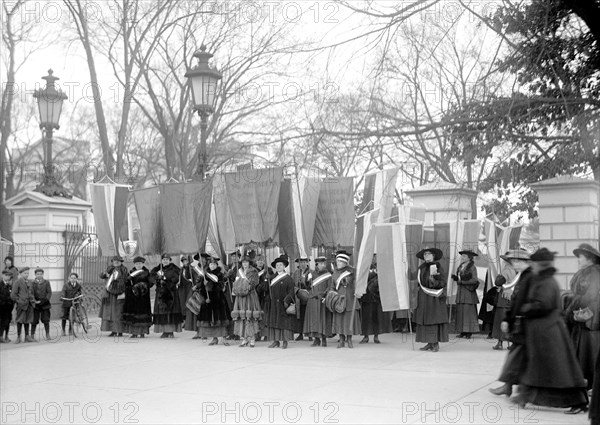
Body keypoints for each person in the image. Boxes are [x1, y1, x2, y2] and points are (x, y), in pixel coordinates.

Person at [510, 248, 588, 412]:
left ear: (540, 264)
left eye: (535, 263)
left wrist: (525, 308)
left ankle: (578, 401)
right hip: (544, 332)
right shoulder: (542, 279)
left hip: (549, 332)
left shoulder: (546, 281)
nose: (533, 266)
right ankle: (525, 396)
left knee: (559, 369)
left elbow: (543, 305)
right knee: (539, 367)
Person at [489, 249, 532, 396]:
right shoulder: (522, 275)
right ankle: (508, 386)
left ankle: (521, 390)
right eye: (513, 262)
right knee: (515, 357)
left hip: (529, 325)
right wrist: (509, 319)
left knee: (523, 359)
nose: (515, 264)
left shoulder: (528, 276)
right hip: (521, 324)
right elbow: (517, 299)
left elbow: (528, 301)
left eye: (518, 261)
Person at [564, 243, 600, 395]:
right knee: (584, 351)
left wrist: (571, 305)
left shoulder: (592, 273)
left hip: (587, 317)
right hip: (583, 317)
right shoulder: (587, 272)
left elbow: (589, 296)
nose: (578, 259)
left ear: (590, 259)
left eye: (581, 257)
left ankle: (589, 384)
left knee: (587, 352)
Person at [414, 247, 448, 352]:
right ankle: (429, 342)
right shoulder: (421, 268)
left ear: (433, 256)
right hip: (423, 297)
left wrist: (434, 282)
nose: (426, 256)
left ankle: (435, 343)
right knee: (425, 319)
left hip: (434, 299)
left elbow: (443, 283)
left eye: (429, 254)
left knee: (433, 320)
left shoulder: (437, 267)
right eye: (425, 254)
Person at [328, 251, 361, 349]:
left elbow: (357, 283)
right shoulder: (334, 274)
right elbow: (331, 287)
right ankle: (341, 340)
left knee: (348, 321)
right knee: (339, 321)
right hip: (338, 301)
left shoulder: (352, 272)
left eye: (340, 261)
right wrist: (332, 295)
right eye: (337, 261)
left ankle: (349, 339)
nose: (337, 263)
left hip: (349, 299)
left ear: (345, 263)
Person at [197, 257, 231, 346]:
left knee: (221, 319)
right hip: (208, 300)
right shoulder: (204, 274)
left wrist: (209, 284)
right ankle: (214, 338)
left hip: (218, 299)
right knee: (211, 320)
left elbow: (221, 286)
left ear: (216, 265)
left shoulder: (220, 274)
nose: (212, 266)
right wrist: (203, 287)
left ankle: (224, 338)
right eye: (211, 264)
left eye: (214, 264)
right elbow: (200, 288)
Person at [359, 254, 392, 344]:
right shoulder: (364, 267)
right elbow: (363, 278)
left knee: (376, 317)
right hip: (366, 296)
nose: (373, 259)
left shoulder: (381, 267)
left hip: (377, 296)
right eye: (372, 256)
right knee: (366, 317)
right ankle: (365, 336)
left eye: (375, 257)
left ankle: (376, 336)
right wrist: (375, 273)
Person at [231, 256, 262, 347]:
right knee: (242, 317)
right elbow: (236, 282)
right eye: (243, 262)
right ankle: (244, 338)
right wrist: (236, 289)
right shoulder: (239, 271)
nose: (244, 264)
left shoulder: (254, 271)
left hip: (250, 295)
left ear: (249, 263)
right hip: (240, 297)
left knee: (250, 316)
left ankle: (252, 338)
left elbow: (255, 283)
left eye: (246, 262)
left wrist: (247, 288)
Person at [150, 254, 183, 338]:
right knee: (162, 312)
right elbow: (151, 278)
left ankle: (170, 331)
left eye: (167, 259)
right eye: (164, 259)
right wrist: (157, 279)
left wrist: (165, 281)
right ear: (161, 260)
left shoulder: (174, 269)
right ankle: (164, 331)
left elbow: (175, 279)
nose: (165, 261)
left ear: (170, 260)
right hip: (161, 293)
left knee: (171, 312)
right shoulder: (157, 269)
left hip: (170, 293)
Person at [266, 256, 295, 349]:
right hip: (273, 304)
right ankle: (276, 341)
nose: (278, 266)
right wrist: (265, 280)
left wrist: (287, 300)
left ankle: (285, 341)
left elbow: (291, 292)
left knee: (284, 323)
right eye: (277, 265)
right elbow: (266, 290)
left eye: (280, 265)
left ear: (284, 266)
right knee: (274, 322)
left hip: (283, 304)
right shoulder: (271, 278)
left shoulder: (288, 278)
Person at [303, 256, 333, 347]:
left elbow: (330, 286)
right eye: (320, 264)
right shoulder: (312, 274)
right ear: (316, 265)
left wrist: (325, 295)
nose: (322, 265)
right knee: (314, 321)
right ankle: (316, 339)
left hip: (322, 299)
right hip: (312, 300)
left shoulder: (328, 274)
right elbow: (308, 287)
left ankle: (324, 339)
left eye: (323, 263)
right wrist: (307, 280)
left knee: (322, 320)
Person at [123, 256, 153, 338]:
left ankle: (142, 332)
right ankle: (134, 332)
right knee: (134, 314)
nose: (138, 265)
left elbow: (150, 283)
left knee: (142, 314)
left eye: (139, 263)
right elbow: (127, 284)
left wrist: (142, 285)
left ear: (143, 264)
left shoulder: (146, 273)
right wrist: (127, 280)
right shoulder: (131, 272)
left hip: (143, 297)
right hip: (133, 297)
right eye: (136, 264)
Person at [99, 255, 129, 337]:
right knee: (110, 313)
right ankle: (113, 330)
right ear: (112, 262)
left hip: (119, 294)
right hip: (109, 294)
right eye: (115, 261)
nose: (116, 262)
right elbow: (102, 276)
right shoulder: (110, 269)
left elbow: (125, 280)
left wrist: (117, 283)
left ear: (121, 262)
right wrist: (105, 274)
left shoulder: (124, 270)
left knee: (118, 313)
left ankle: (120, 331)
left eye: (118, 261)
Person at [452, 250, 479, 339]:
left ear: (469, 258)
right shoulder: (461, 266)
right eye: (462, 256)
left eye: (464, 256)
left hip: (468, 292)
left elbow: (475, 280)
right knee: (461, 311)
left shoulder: (472, 267)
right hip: (461, 292)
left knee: (468, 312)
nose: (462, 257)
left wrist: (461, 281)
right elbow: (459, 279)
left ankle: (469, 332)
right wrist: (456, 278)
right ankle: (462, 331)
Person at [10, 267, 35, 343]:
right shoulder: (17, 282)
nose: (26, 275)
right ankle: (18, 337)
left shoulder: (30, 282)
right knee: (20, 320)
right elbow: (13, 295)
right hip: (21, 305)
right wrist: (19, 301)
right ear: (20, 274)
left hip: (29, 304)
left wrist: (32, 300)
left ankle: (27, 336)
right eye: (25, 273)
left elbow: (32, 292)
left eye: (27, 273)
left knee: (27, 320)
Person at [292, 257, 312, 341]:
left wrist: (305, 282)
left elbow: (312, 284)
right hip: (298, 297)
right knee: (300, 316)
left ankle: (310, 334)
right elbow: (292, 284)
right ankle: (300, 333)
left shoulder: (311, 272)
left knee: (309, 316)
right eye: (301, 262)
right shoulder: (296, 273)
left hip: (308, 296)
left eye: (304, 262)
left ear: (307, 263)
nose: (303, 264)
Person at [179, 255, 199, 336]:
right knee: (184, 305)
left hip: (191, 288)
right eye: (183, 261)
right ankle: (185, 320)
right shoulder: (181, 269)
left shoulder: (193, 269)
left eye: (186, 261)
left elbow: (194, 278)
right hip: (183, 289)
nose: (185, 262)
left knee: (190, 305)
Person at [255, 255, 273, 341]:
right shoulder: (253, 270)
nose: (260, 262)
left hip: (266, 295)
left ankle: (266, 334)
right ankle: (257, 333)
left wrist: (269, 278)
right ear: (256, 261)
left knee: (265, 315)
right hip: (256, 295)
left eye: (261, 260)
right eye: (258, 260)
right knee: (256, 315)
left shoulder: (268, 270)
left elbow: (272, 280)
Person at [31, 268, 52, 341]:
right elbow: (31, 293)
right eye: (37, 274)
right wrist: (34, 300)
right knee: (34, 320)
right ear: (35, 275)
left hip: (45, 304)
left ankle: (47, 334)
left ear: (43, 274)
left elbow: (49, 292)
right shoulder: (32, 283)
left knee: (46, 320)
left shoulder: (46, 282)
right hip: (35, 305)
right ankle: (32, 335)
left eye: (40, 274)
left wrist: (44, 300)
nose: (39, 275)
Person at [0, 269, 14, 343]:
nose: (8, 277)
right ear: (3, 275)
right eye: (6, 275)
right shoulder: (0, 284)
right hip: (1, 307)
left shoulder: (10, 286)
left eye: (9, 276)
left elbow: (12, 296)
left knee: (7, 321)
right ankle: (1, 336)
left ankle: (6, 336)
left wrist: (12, 302)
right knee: (1, 322)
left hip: (8, 308)